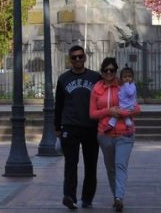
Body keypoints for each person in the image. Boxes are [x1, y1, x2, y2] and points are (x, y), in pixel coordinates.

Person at [90, 57, 142, 212]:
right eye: (105, 70)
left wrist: (124, 113)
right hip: (105, 135)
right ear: (102, 71)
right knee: (111, 169)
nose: (108, 73)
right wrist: (109, 111)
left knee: (120, 165)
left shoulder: (124, 85)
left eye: (112, 70)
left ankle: (119, 197)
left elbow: (137, 107)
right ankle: (116, 197)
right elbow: (92, 114)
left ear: (116, 71)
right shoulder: (96, 88)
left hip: (124, 134)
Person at [55, 44, 101, 210]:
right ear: (70, 59)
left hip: (91, 126)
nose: (77, 59)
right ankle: (69, 196)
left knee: (91, 165)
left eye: (80, 56)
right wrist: (57, 128)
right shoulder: (63, 79)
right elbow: (58, 105)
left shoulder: (95, 77)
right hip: (70, 126)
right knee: (70, 164)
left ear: (85, 57)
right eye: (74, 57)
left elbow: (102, 100)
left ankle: (87, 198)